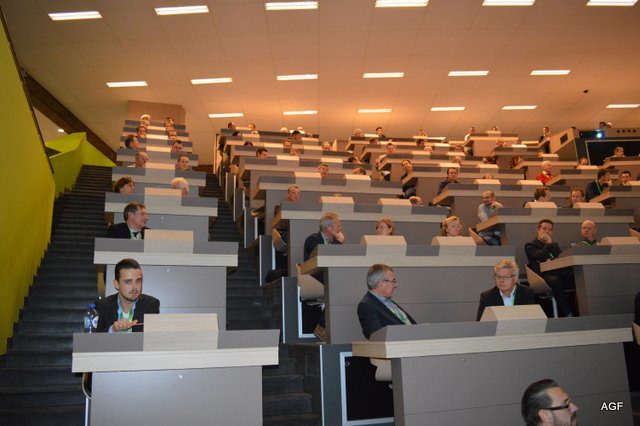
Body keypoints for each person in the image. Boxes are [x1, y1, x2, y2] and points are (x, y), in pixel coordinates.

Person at [524, 219, 575, 317]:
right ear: (538, 230)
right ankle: (568, 313)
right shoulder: (530, 245)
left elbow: (561, 260)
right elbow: (542, 257)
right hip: (543, 276)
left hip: (559, 272)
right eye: (544, 229)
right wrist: (548, 243)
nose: (547, 232)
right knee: (555, 280)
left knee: (577, 276)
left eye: (550, 230)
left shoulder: (555, 246)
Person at [94, 258, 160, 333]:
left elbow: (153, 336)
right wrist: (113, 330)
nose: (135, 287)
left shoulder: (151, 304)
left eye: (138, 281)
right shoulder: (102, 306)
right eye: (128, 282)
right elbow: (94, 336)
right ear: (116, 284)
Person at [357, 264, 416, 339]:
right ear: (382, 283)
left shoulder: (388, 302)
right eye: (393, 281)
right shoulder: (366, 305)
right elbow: (377, 336)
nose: (395, 285)